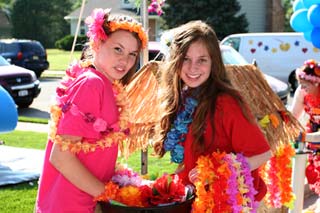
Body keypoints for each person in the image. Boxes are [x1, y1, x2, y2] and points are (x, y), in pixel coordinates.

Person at [35, 8, 147, 212]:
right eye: (118, 49)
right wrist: (110, 196)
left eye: (132, 54)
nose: (125, 60)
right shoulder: (91, 84)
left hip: (86, 200)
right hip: (69, 204)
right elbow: (61, 157)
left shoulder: (106, 85)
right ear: (97, 44)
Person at [153, 20, 272, 204]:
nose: (193, 67)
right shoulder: (185, 99)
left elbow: (262, 154)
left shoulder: (226, 102)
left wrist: (216, 172)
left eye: (202, 60)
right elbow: (194, 159)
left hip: (227, 204)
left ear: (213, 63)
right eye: (186, 59)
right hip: (197, 200)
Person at [290, 59, 320, 211]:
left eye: (305, 85)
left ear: (316, 83)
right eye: (300, 84)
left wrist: (303, 137)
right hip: (313, 139)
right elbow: (293, 116)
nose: (302, 88)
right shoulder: (302, 92)